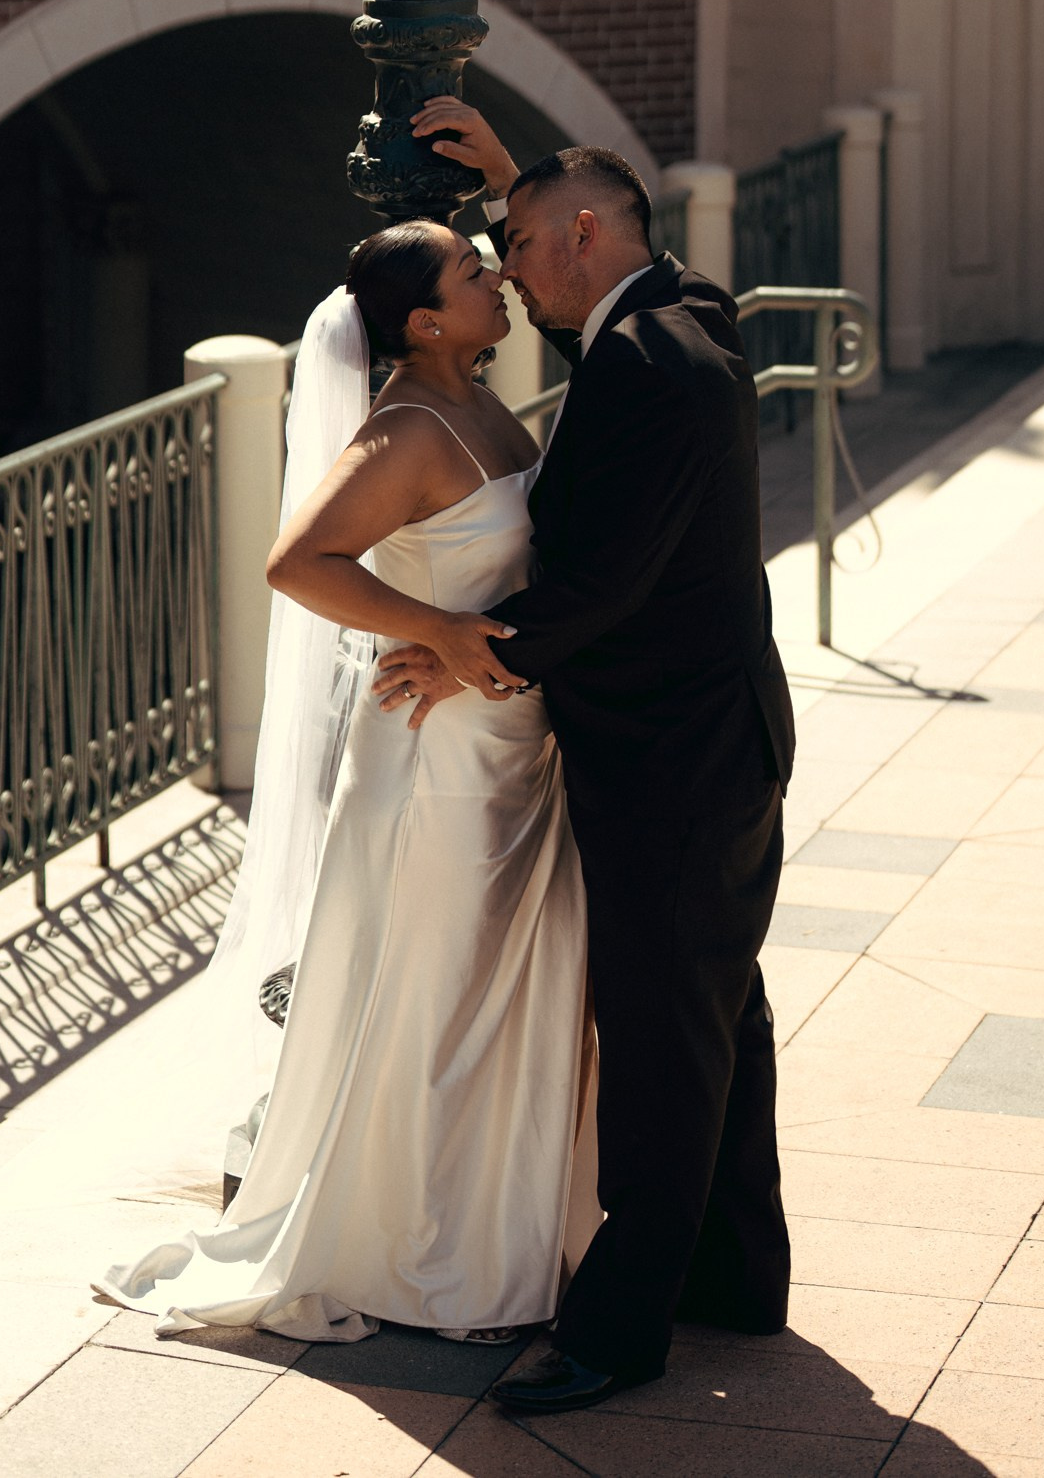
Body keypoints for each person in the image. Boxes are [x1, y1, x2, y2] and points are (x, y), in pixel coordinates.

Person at [93, 219, 593, 1344]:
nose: (498, 278)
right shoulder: (409, 429)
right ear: (423, 322)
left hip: (505, 748)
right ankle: (418, 1250)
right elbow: (297, 562)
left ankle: (489, 1234)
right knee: (434, 996)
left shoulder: (478, 399)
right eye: (475, 273)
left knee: (488, 995)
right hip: (433, 765)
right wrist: (443, 633)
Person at [380, 106, 795, 1421]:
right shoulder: (686, 313)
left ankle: (618, 1327)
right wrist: (521, 179)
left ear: (578, 236)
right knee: (718, 1007)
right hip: (718, 740)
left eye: (515, 239)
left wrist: (463, 649)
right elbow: (596, 312)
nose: (505, 270)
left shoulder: (649, 366)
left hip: (673, 757)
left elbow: (604, 581)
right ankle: (736, 1269)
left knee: (666, 1035)